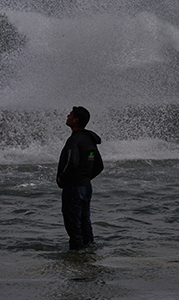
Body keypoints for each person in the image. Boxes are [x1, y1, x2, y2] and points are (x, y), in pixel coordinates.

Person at [56, 106, 104, 250]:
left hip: (73, 188)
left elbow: (72, 162)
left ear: (75, 120)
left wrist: (62, 178)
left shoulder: (74, 140)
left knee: (73, 226)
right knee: (85, 222)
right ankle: (89, 252)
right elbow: (98, 165)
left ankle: (76, 257)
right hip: (86, 187)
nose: (67, 116)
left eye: (70, 114)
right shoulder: (89, 139)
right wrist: (85, 177)